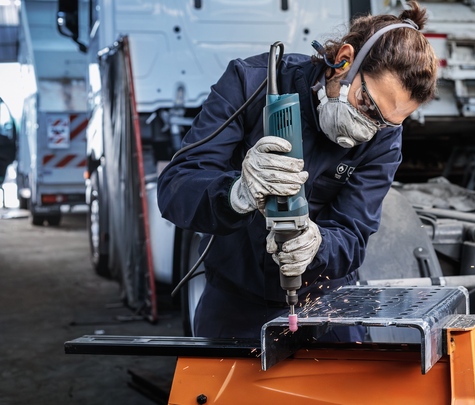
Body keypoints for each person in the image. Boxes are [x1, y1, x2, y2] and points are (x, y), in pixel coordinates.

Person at [157, 1, 437, 339]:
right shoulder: (251, 83)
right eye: (367, 104)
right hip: (236, 298)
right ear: (344, 61)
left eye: (383, 122)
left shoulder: (385, 138)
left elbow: (353, 233)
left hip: (327, 300)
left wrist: (317, 245)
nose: (367, 128)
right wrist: (235, 193)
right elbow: (176, 187)